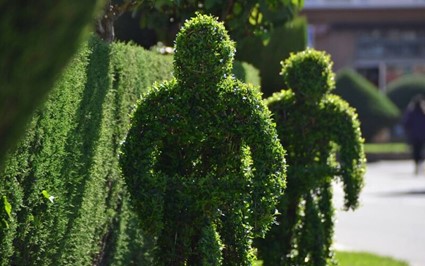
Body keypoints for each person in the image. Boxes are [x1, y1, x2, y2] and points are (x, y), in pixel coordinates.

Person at [119, 14, 286, 265]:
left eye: (209, 55)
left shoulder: (240, 103)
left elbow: (270, 157)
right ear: (183, 57)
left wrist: (260, 203)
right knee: (172, 252)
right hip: (178, 203)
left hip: (228, 202)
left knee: (234, 253)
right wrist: (150, 202)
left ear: (223, 57)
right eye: (196, 55)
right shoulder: (162, 103)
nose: (202, 64)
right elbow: (134, 157)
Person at [402, 94, 425, 175]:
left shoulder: (411, 111)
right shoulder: (422, 111)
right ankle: (420, 164)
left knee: (416, 151)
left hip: (414, 135)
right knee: (421, 150)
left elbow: (406, 123)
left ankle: (417, 165)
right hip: (422, 135)